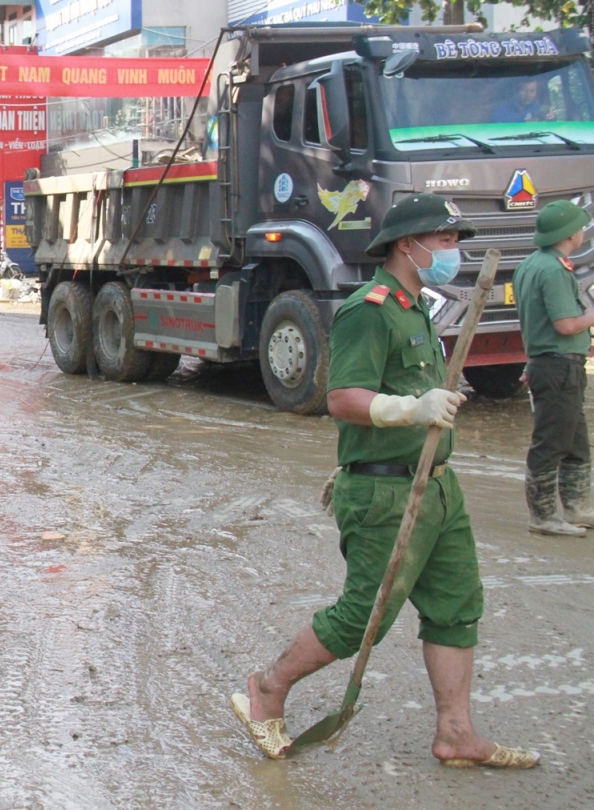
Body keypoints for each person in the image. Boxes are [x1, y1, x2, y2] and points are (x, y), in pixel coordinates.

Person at [231, 194, 538, 768]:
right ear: (408, 244)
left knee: (456, 607)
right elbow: (343, 398)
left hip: (436, 485)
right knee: (360, 618)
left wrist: (434, 406)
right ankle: (267, 689)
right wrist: (412, 409)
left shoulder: (415, 306)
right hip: (384, 491)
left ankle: (456, 732)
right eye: (446, 241)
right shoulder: (368, 309)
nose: (454, 252)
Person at [512, 199, 594, 536]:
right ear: (571, 233)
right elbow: (565, 325)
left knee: (575, 442)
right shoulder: (554, 270)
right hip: (559, 365)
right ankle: (543, 516)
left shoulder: (531, 264)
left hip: (552, 364)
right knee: (551, 441)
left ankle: (577, 508)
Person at [491, 78, 555, 124]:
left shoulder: (538, 109)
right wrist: (525, 123)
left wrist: (551, 118)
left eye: (532, 91)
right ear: (516, 91)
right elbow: (497, 130)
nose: (528, 94)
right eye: (524, 90)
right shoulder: (502, 110)